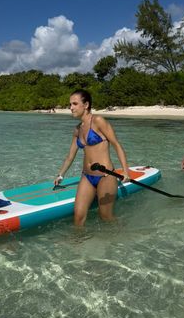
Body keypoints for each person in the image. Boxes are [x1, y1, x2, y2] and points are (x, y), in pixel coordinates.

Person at [54, 89, 130, 226]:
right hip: (87, 177)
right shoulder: (77, 129)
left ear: (86, 105)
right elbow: (70, 156)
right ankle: (78, 244)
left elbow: (116, 145)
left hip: (105, 176)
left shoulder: (98, 121)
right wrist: (60, 175)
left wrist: (125, 171)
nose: (71, 108)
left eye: (75, 104)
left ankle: (122, 236)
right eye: (70, 104)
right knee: (78, 217)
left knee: (105, 217)